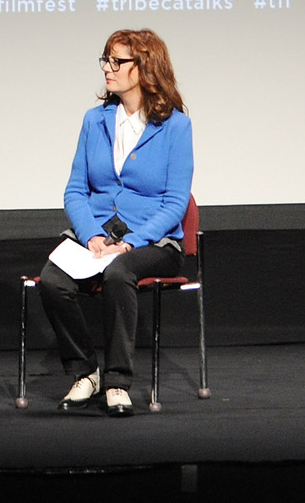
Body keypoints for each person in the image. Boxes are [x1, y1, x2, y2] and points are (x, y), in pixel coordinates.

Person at [36, 28, 194, 416]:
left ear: (145, 68)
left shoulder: (175, 126)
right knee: (53, 280)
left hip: (153, 243)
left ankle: (117, 381)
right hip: (99, 236)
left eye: (118, 61)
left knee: (119, 272)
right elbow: (75, 190)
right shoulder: (95, 120)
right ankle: (85, 371)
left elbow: (175, 203)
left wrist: (132, 241)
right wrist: (90, 235)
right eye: (106, 60)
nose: (108, 68)